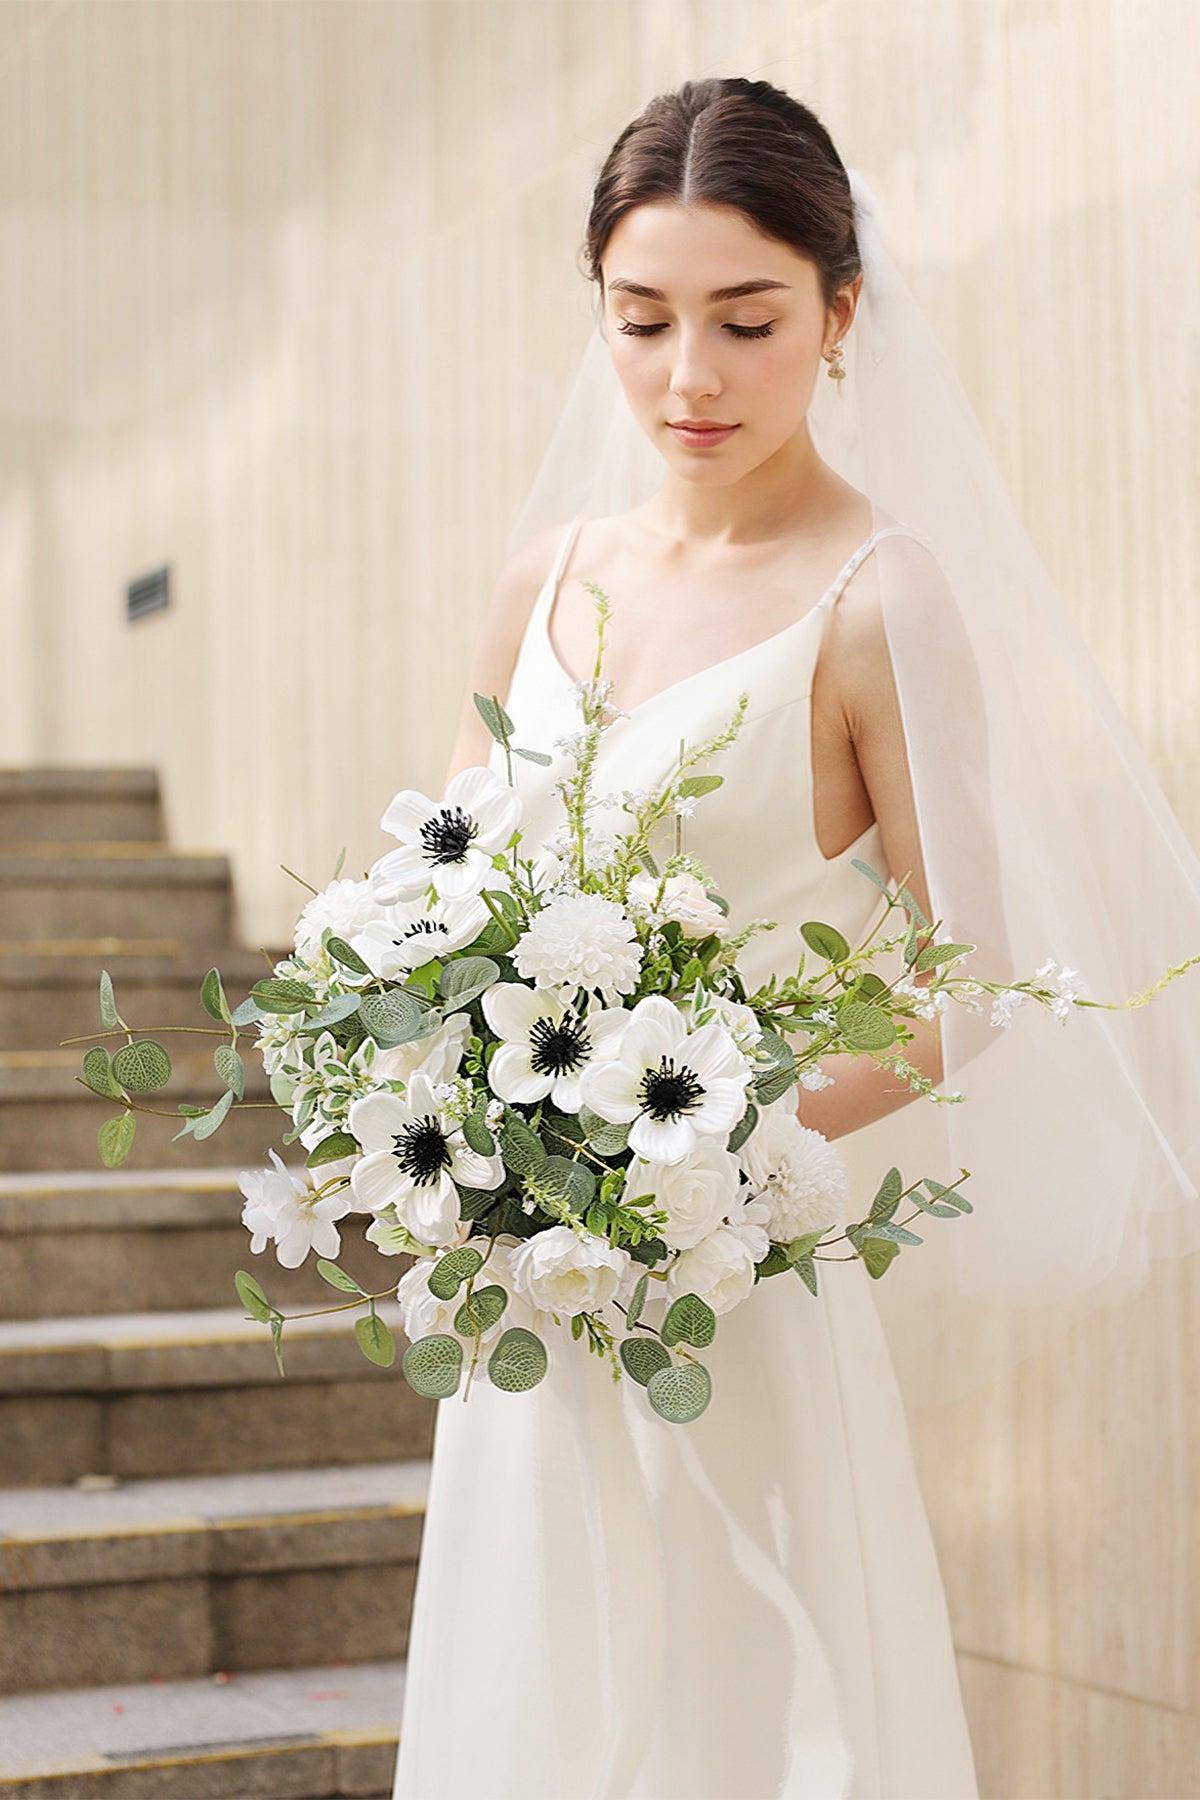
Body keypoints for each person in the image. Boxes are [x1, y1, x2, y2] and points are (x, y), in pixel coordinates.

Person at [392, 77, 1200, 1799]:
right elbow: (431, 908)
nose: (690, 377)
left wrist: (702, 1159)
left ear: (841, 312)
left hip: (731, 1272)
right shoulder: (542, 577)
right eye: (644, 319)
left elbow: (966, 987)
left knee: (751, 1710)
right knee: (536, 1692)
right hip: (530, 1287)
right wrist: (478, 1137)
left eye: (747, 321)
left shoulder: (878, 596)